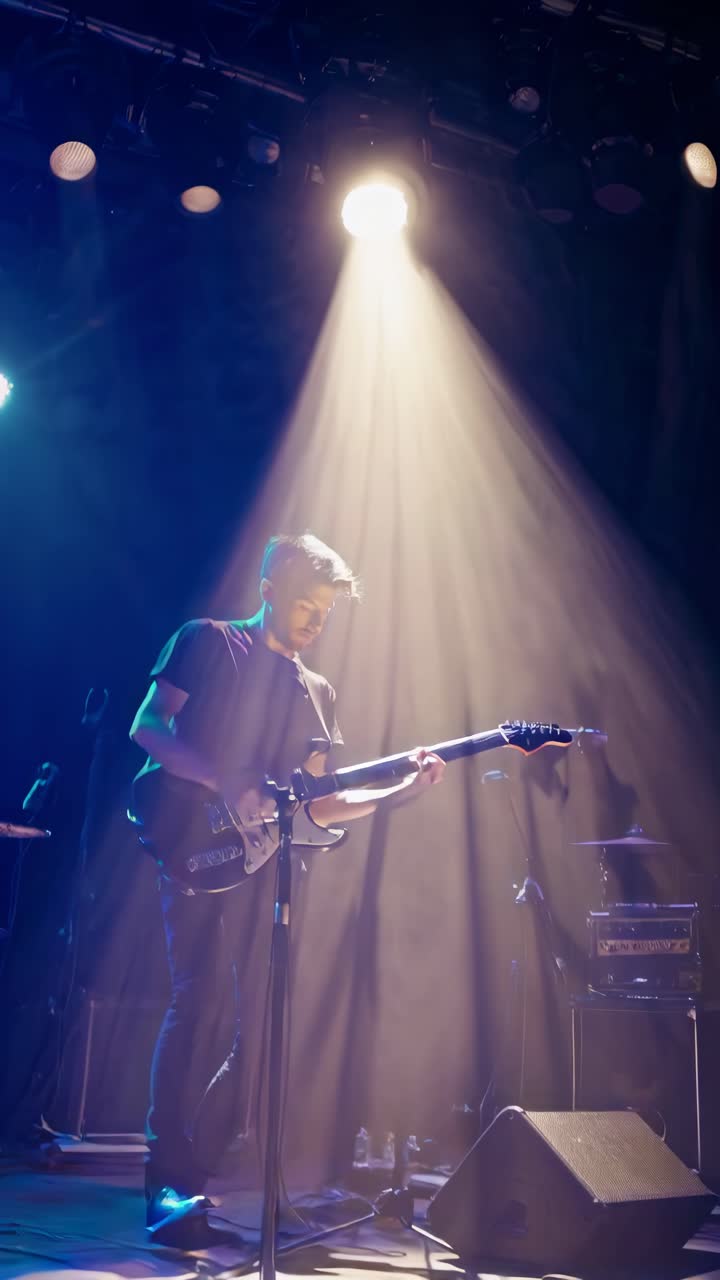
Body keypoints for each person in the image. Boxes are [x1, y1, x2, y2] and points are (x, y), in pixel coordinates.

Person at [129, 533, 445, 1246]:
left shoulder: (316, 691)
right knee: (199, 1001)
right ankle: (166, 1182)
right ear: (268, 587)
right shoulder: (206, 642)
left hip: (264, 864)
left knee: (266, 1028)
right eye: (304, 605)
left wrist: (399, 790)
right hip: (193, 847)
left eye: (324, 614)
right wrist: (223, 782)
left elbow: (319, 805)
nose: (313, 623)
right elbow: (147, 726)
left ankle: (195, 1175)